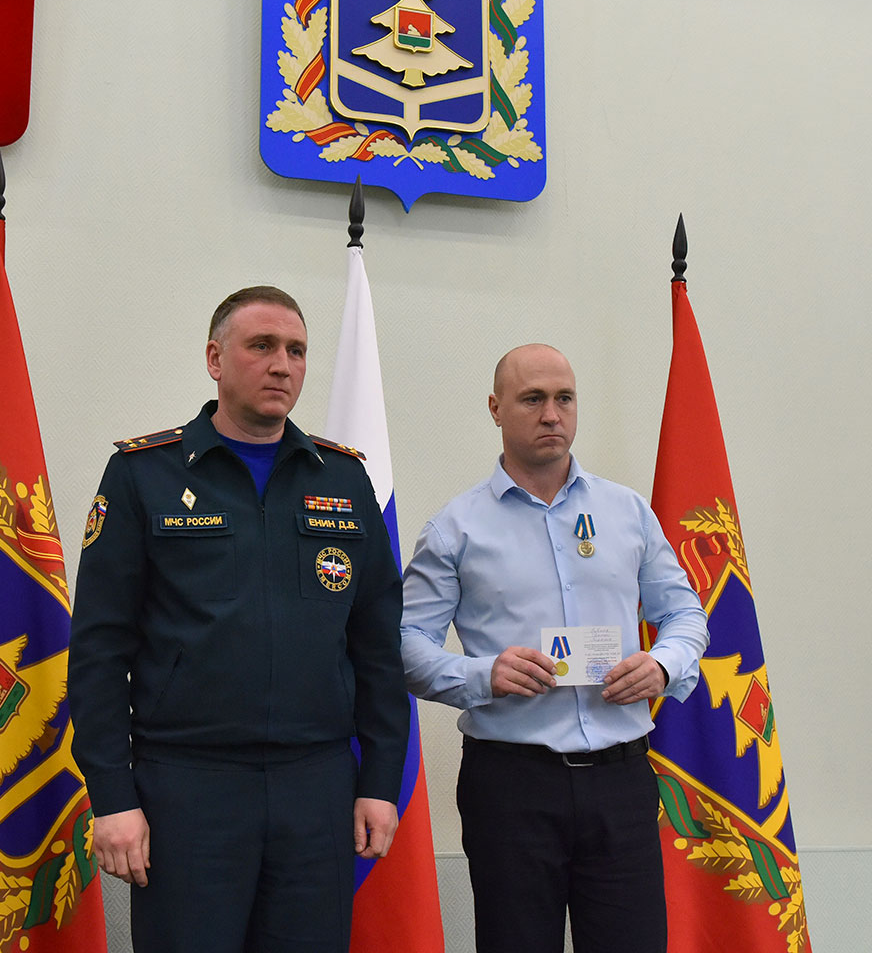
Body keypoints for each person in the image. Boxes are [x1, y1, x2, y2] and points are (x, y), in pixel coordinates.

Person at [68, 285, 408, 953]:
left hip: (316, 785)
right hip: (188, 786)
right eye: (262, 346)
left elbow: (376, 647)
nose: (283, 364)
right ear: (215, 359)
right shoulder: (144, 474)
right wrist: (112, 795)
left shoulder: (343, 480)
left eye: (297, 351)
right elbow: (99, 652)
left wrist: (380, 782)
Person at [401, 343, 709, 953]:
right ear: (496, 408)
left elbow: (684, 614)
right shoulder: (455, 528)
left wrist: (662, 664)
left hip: (621, 780)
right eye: (533, 399)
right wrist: (482, 674)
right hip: (511, 784)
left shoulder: (627, 513)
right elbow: (405, 643)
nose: (551, 414)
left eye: (564, 398)